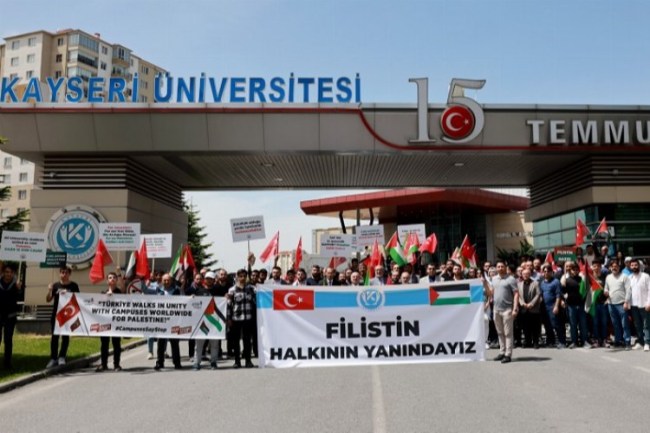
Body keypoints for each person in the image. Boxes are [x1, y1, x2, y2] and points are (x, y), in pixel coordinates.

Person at [483, 261, 519, 363]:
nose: (500, 268)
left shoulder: (511, 279)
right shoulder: (494, 279)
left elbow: (516, 294)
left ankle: (508, 354)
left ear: (505, 267)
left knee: (508, 333)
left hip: (507, 309)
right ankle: (502, 352)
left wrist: (515, 308)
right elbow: (490, 293)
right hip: (496, 309)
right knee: (500, 332)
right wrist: (485, 284)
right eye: (498, 266)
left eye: (502, 266)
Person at [46, 265, 80, 368]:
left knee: (65, 336)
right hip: (56, 314)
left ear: (69, 274)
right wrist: (49, 290)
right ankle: (53, 358)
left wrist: (69, 294)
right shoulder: (55, 285)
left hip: (68, 315)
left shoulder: (74, 285)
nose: (64, 274)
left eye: (66, 272)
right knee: (54, 337)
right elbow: (48, 299)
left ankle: (62, 357)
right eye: (62, 272)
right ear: (60, 273)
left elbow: (78, 299)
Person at [227, 269, 256, 368]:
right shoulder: (232, 290)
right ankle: (237, 361)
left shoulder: (252, 289)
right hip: (236, 319)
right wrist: (229, 318)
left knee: (247, 341)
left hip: (248, 319)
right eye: (240, 276)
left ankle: (248, 361)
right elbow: (229, 305)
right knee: (236, 341)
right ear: (237, 277)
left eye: (244, 276)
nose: (242, 278)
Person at [96, 271, 124, 372]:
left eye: (114, 278)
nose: (112, 279)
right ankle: (104, 364)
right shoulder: (103, 293)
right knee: (104, 344)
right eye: (110, 278)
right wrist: (106, 297)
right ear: (107, 281)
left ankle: (116, 364)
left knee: (116, 344)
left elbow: (123, 301)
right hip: (105, 322)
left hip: (116, 322)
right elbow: (98, 305)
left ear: (116, 280)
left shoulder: (119, 292)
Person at [154, 274, 182, 370]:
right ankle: (160, 362)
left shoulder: (177, 290)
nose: (166, 282)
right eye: (164, 280)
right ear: (162, 281)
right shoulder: (158, 290)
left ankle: (177, 363)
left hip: (173, 320)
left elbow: (184, 300)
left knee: (174, 342)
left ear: (171, 281)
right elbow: (146, 292)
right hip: (161, 320)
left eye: (168, 280)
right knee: (160, 343)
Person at [561, 261, 589, 348]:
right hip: (571, 306)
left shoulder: (582, 280)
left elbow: (586, 291)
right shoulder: (566, 281)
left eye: (577, 270)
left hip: (581, 305)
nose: (575, 271)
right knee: (572, 325)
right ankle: (574, 342)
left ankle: (584, 341)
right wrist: (563, 299)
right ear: (570, 270)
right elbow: (562, 292)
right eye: (573, 270)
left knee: (583, 324)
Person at [192, 281, 220, 370]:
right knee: (199, 344)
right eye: (208, 278)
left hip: (214, 321)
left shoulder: (217, 290)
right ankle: (196, 362)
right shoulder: (199, 291)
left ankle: (213, 362)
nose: (209, 280)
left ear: (213, 280)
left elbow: (222, 302)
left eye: (211, 279)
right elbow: (194, 304)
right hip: (202, 321)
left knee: (214, 344)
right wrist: (192, 298)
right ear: (205, 280)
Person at [604, 261, 632, 349]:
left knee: (625, 324)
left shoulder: (624, 277)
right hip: (611, 304)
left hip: (622, 304)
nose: (614, 268)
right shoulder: (608, 277)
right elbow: (606, 288)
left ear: (619, 267)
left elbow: (628, 290)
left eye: (616, 266)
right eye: (612, 266)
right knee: (615, 324)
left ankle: (627, 342)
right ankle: (618, 341)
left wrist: (626, 302)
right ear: (610, 268)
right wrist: (606, 292)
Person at [0, 263, 22, 370]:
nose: (8, 274)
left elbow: (20, 298)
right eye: (6, 272)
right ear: (3, 273)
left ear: (13, 273)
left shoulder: (16, 284)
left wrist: (19, 289)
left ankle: (7, 363)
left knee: (8, 340)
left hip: (10, 316)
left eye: (10, 272)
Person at [539, 265, 565, 348]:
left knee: (556, 325)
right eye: (545, 271)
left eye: (548, 271)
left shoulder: (556, 282)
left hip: (553, 306)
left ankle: (562, 342)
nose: (546, 273)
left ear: (551, 272)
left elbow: (558, 295)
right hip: (544, 307)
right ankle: (551, 341)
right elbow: (541, 294)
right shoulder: (542, 283)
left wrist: (556, 306)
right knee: (547, 325)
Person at [628, 258, 650, 351]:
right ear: (630, 267)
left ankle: (647, 343)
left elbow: (649, 290)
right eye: (632, 265)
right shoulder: (630, 277)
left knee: (646, 325)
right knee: (637, 325)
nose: (634, 267)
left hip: (644, 304)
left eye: (635, 265)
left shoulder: (645, 276)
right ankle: (640, 342)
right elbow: (628, 292)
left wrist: (649, 303)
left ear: (639, 266)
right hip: (634, 305)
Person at [517, 268, 541, 348]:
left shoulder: (535, 283)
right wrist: (522, 303)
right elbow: (518, 296)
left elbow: (538, 294)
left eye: (527, 274)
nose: (525, 275)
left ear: (530, 274)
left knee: (535, 327)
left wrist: (532, 303)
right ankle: (528, 342)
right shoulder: (519, 284)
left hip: (533, 309)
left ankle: (536, 342)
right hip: (523, 309)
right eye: (524, 274)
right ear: (522, 275)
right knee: (525, 327)